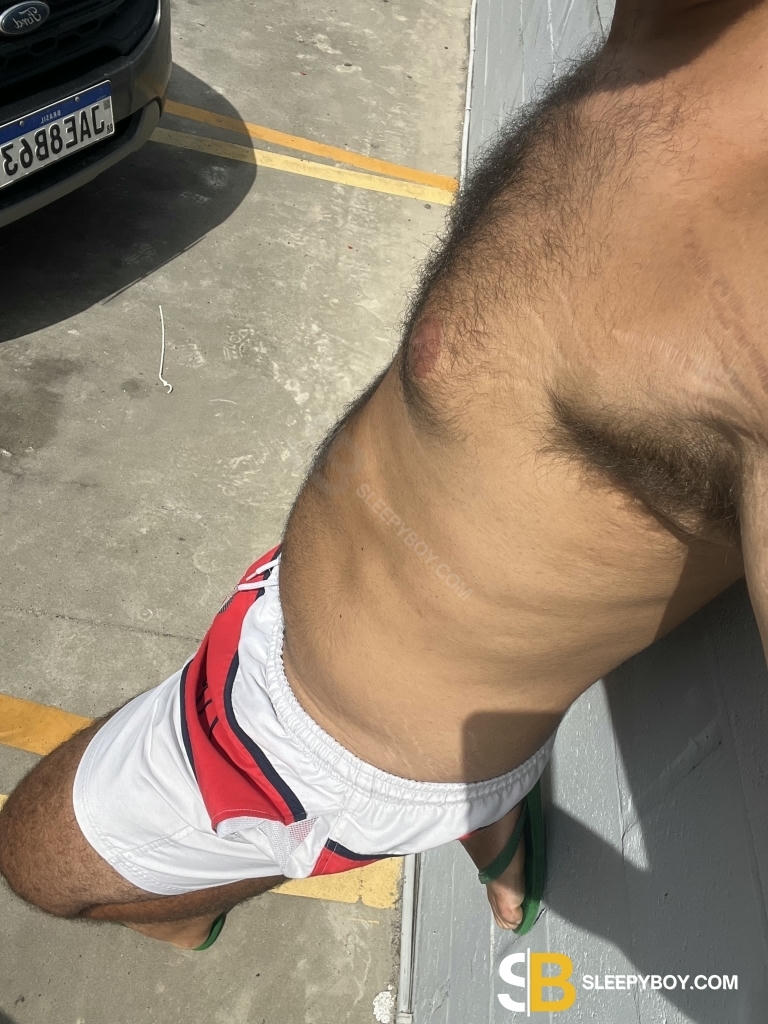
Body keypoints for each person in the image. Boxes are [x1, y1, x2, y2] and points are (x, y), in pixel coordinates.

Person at [1, 0, 767, 949]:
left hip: (334, 760)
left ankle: (227, 897)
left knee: (33, 862)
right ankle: (483, 823)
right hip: (284, 617)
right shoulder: (699, 30)